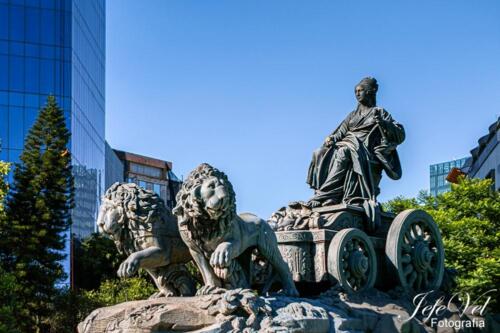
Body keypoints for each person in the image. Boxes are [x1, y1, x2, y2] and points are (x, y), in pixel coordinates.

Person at [306, 77, 405, 225]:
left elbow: (400, 134)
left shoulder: (379, 112)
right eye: (356, 91)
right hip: (350, 144)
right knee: (319, 152)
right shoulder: (352, 115)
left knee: (344, 151)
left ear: (370, 92)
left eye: (360, 91)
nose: (357, 94)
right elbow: (341, 132)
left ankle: (323, 195)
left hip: (366, 151)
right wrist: (331, 138)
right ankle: (331, 197)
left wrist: (383, 123)